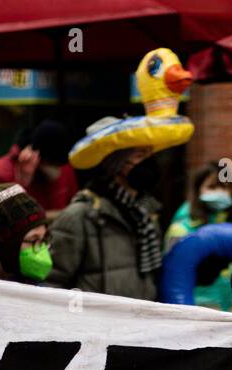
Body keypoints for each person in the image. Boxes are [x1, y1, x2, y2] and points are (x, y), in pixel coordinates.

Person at [45, 122, 167, 301]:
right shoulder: (80, 216)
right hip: (95, 326)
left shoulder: (146, 214)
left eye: (151, 154)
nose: (149, 162)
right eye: (141, 155)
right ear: (116, 163)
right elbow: (52, 284)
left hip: (140, 324)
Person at [163, 162, 232, 311]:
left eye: (225, 187)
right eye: (212, 187)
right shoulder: (181, 229)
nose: (220, 192)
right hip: (199, 313)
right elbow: (172, 276)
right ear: (198, 190)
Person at [0, 119, 78, 222]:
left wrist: (54, 183)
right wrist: (23, 182)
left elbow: (74, 210)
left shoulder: (63, 166)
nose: (59, 171)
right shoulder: (1, 171)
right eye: (53, 164)